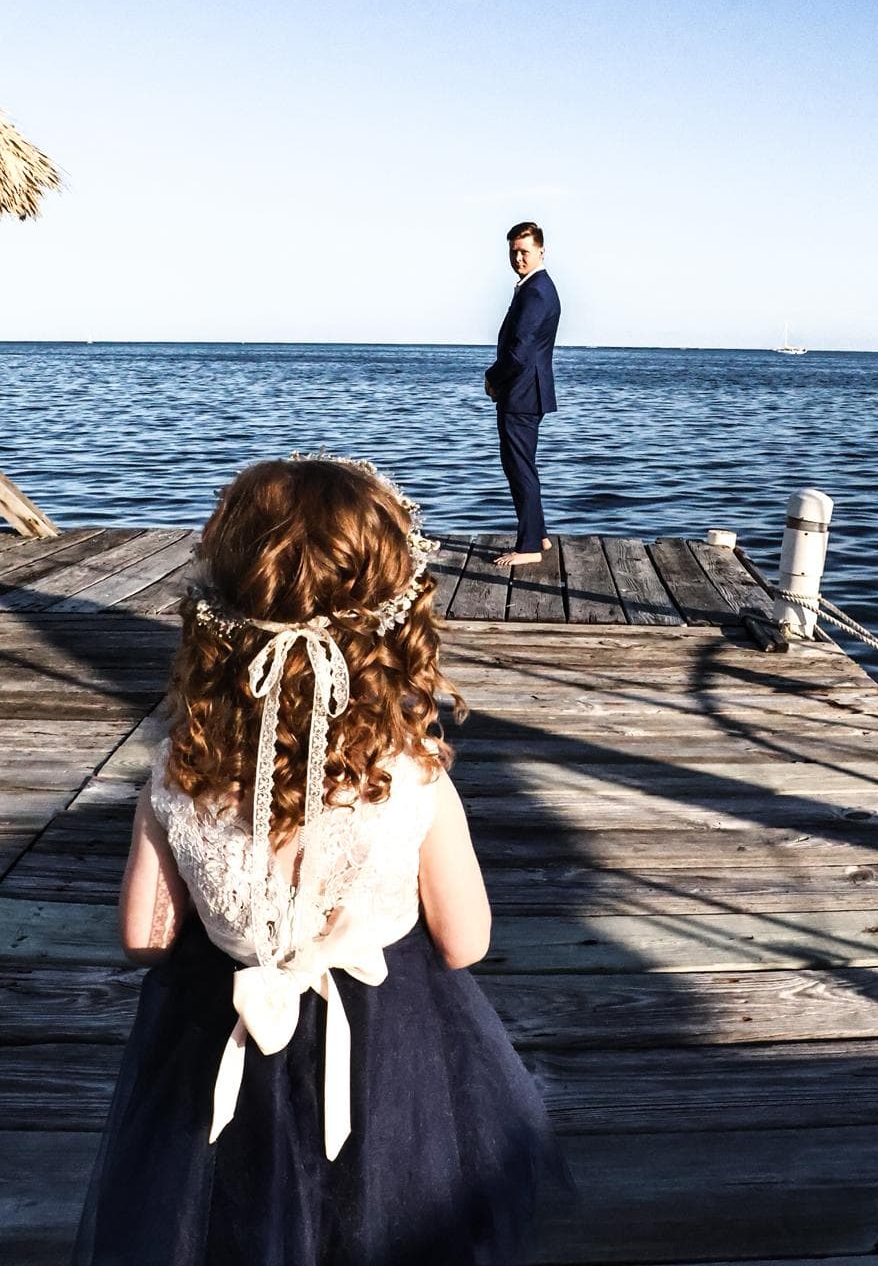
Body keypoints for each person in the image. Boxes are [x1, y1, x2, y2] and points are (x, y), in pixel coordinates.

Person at [72, 455, 560, 1266]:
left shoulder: (178, 771)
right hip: (390, 1045)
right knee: (390, 1221)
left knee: (227, 1221)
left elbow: (146, 938)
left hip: (221, 1024)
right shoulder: (414, 778)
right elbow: (465, 940)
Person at [484, 222, 561, 569]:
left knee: (519, 467)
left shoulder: (537, 292)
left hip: (521, 393)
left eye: (524, 251)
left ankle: (529, 545)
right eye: (513, 251)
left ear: (541, 251)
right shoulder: (535, 288)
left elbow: (519, 351)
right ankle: (538, 532)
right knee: (521, 464)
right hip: (527, 392)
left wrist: (493, 379)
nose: (518, 258)